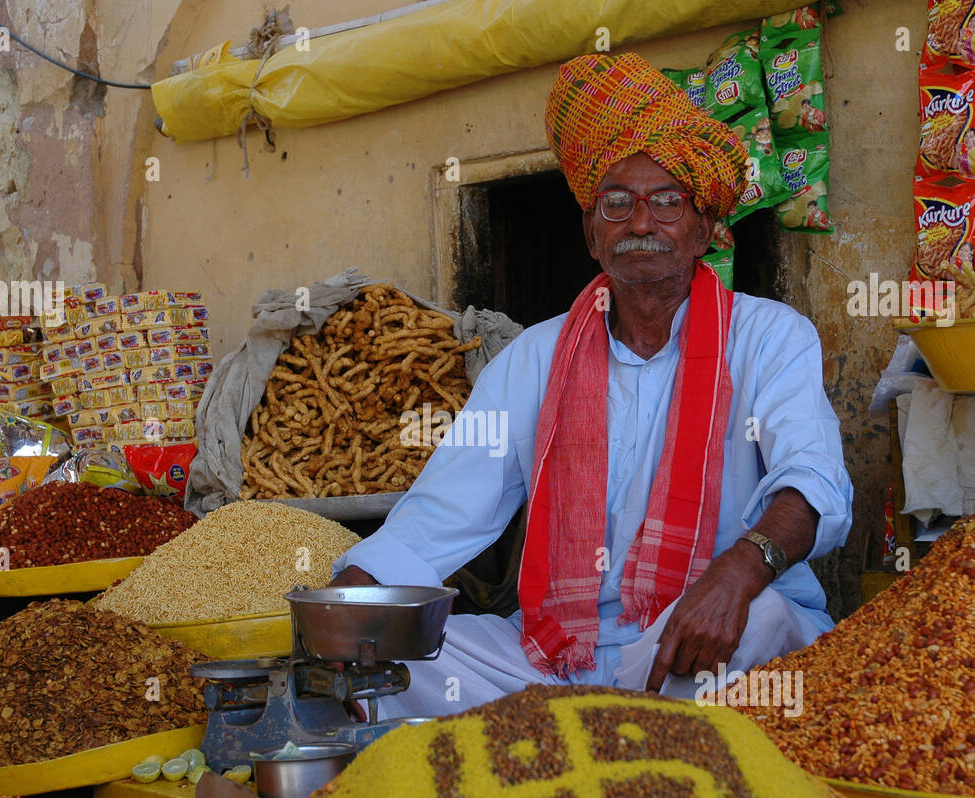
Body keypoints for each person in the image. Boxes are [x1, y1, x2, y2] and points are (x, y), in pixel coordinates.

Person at [330, 53, 853, 718]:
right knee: (389, 663)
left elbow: (811, 481)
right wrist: (346, 607)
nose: (641, 223)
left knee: (769, 620)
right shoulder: (533, 358)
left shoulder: (770, 338)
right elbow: (444, 512)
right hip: (557, 659)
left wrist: (740, 570)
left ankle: (593, 731)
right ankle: (605, 725)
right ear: (590, 231)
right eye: (616, 203)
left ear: (705, 227)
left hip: (697, 643)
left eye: (668, 201)